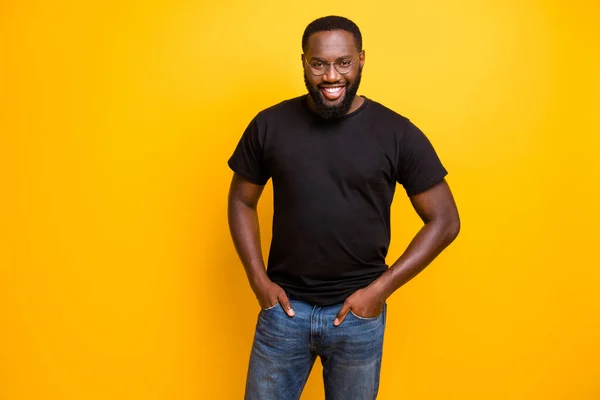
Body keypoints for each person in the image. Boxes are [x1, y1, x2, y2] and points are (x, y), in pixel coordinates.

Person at [227, 15, 460, 400]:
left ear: (362, 60)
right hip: (283, 314)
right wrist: (258, 280)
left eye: (343, 63)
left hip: (357, 318)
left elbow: (445, 220)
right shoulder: (270, 125)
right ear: (304, 61)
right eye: (319, 64)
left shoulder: (395, 132)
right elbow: (241, 199)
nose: (331, 76)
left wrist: (380, 290)